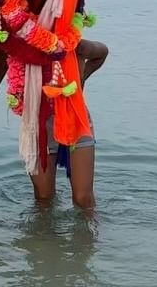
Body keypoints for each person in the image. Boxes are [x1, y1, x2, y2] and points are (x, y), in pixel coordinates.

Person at [29, 38, 109, 209]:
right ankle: (42, 236)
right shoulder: (29, 41)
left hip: (76, 120)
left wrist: (81, 79)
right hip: (40, 122)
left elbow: (103, 52)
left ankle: (90, 234)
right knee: (43, 198)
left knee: (83, 199)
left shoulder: (75, 45)